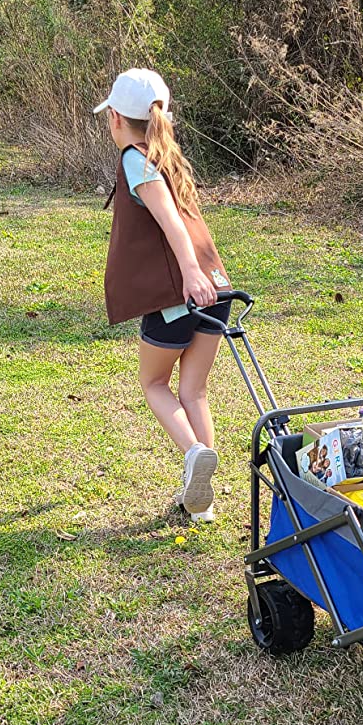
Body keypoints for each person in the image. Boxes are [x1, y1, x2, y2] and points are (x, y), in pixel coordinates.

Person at [96, 68, 231, 522]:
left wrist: (190, 275)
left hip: (183, 293)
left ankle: (194, 454)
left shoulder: (138, 160)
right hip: (219, 287)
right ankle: (203, 501)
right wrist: (204, 276)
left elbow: (171, 223)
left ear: (115, 117)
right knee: (193, 390)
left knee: (154, 384)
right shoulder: (167, 155)